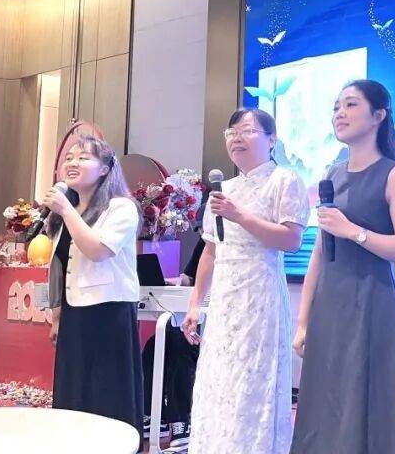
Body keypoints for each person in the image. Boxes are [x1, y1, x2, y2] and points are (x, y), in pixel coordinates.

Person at [291, 80, 395, 454]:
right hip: (330, 306)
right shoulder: (332, 174)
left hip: (373, 304)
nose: (340, 113)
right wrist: (303, 320)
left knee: (371, 402)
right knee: (326, 402)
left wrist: (354, 232)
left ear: (379, 115)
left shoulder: (394, 176)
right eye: (336, 107)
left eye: (350, 105)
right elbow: (320, 253)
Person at [182, 108, 310, 453]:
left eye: (247, 131)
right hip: (224, 300)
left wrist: (238, 215)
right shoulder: (223, 190)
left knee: (254, 380)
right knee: (219, 379)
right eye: (231, 133)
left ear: (272, 140)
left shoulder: (284, 180)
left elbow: (291, 240)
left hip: (260, 295)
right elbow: (211, 251)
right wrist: (195, 304)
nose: (237, 138)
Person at [45, 135, 143, 429]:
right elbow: (60, 266)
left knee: (106, 394)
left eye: (83, 158)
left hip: (109, 312)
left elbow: (98, 251)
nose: (72, 163)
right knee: (74, 391)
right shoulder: (67, 212)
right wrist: (57, 316)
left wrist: (65, 209)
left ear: (105, 169)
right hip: (74, 312)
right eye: (69, 158)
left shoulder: (121, 207)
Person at [140, 236, 206, 452]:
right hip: (189, 317)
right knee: (153, 346)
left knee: (180, 346)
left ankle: (181, 423)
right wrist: (171, 283)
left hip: (209, 322)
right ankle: (153, 415)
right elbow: (187, 278)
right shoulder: (205, 242)